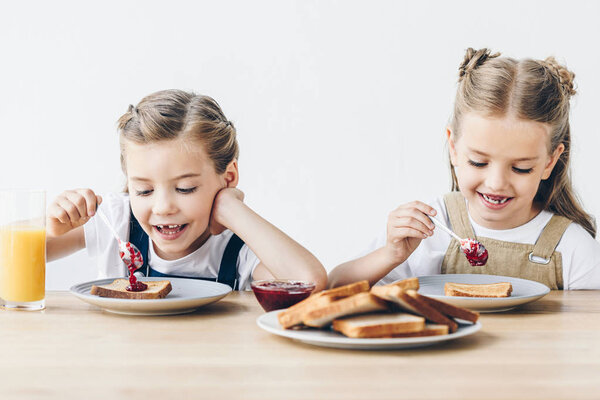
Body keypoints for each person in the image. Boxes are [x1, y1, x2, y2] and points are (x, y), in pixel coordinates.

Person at [329, 48, 600, 290]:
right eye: (478, 162)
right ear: (454, 148)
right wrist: (390, 255)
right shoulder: (431, 228)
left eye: (521, 168)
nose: (496, 183)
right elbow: (334, 287)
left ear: (550, 162)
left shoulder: (573, 248)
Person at [47, 89, 327, 291]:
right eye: (144, 190)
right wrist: (52, 227)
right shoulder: (114, 221)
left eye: (185, 188)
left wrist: (232, 209)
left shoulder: (238, 249)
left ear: (228, 178)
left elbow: (310, 283)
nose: (163, 207)